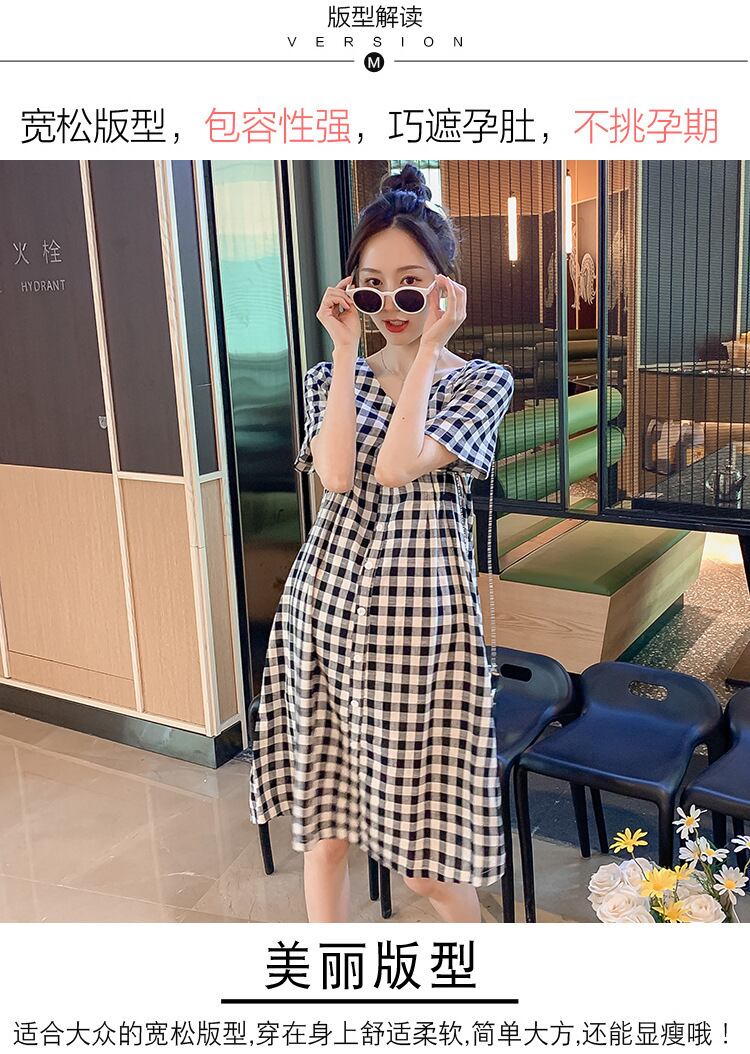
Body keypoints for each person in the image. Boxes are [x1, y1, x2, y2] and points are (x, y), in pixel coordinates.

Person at [249, 162, 514, 923]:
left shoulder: (481, 382)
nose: (391, 305)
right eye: (372, 287)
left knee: (427, 867)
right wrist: (342, 350)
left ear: (445, 288)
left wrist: (426, 351)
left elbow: (398, 466)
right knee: (326, 836)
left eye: (411, 285)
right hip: (324, 611)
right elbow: (337, 476)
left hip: (419, 626)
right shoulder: (328, 377)